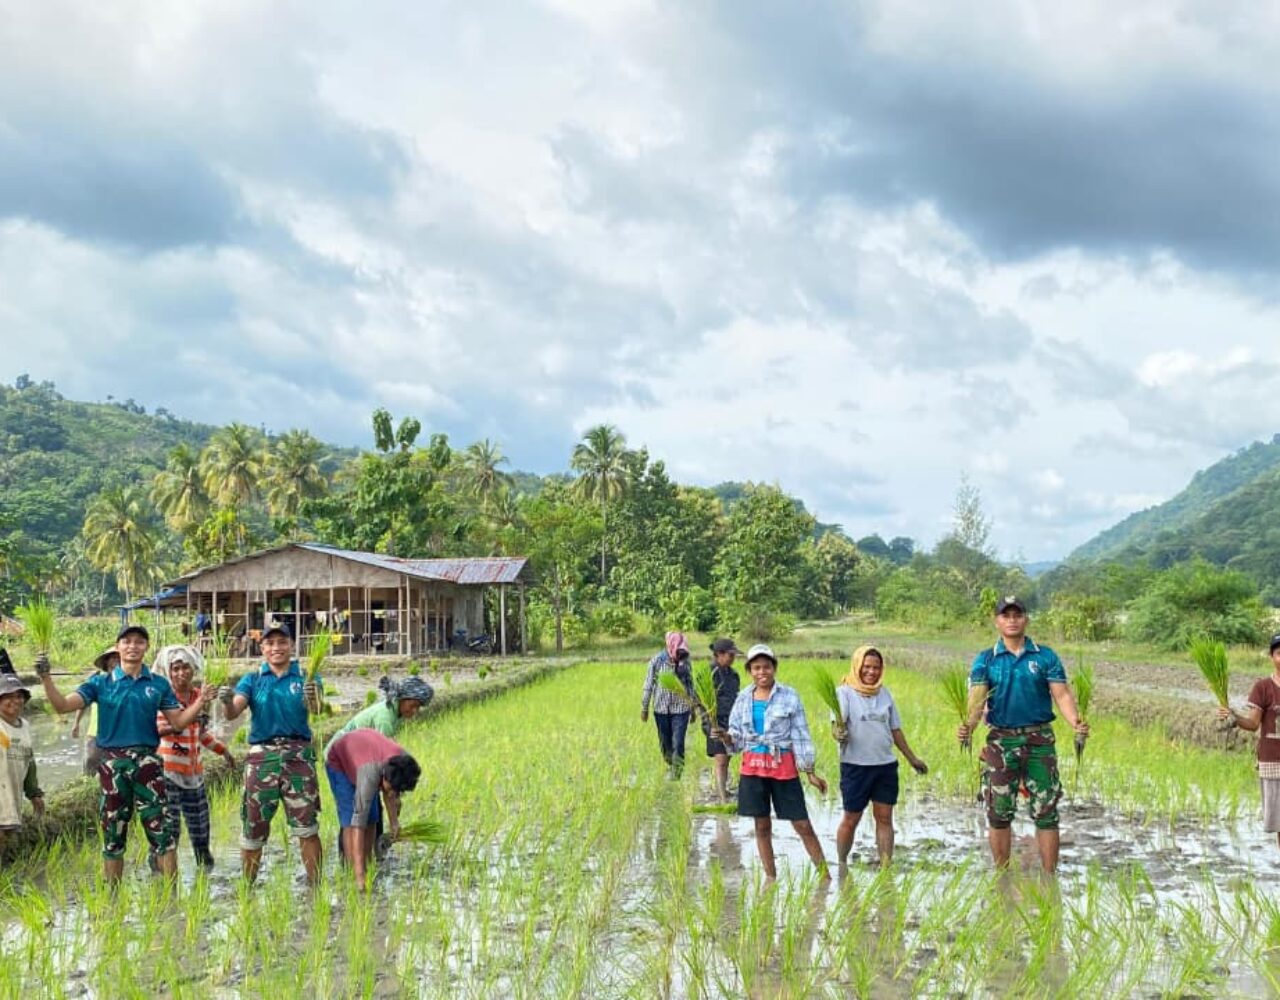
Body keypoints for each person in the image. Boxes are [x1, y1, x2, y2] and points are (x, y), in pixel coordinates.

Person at [35, 624, 215, 882]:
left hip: (148, 764)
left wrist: (200, 702)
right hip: (112, 765)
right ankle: (112, 900)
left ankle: (172, 902)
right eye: (127, 641)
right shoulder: (100, 683)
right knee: (113, 835)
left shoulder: (158, 684)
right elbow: (62, 706)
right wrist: (45, 678)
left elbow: (177, 723)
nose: (133, 646)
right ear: (118, 647)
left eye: (139, 641)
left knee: (162, 833)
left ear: (146, 648)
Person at [957, 596, 1088, 874]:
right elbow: (977, 700)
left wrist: (1076, 722)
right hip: (1001, 741)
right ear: (997, 621)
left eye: (1017, 615)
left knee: (1046, 811)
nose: (1012, 620)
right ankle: (1002, 875)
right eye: (1006, 615)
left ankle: (1050, 876)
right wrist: (968, 726)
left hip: (1039, 740)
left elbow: (1061, 694)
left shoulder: (1044, 656)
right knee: (999, 812)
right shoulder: (987, 659)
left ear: (1026, 619)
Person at [712, 643, 829, 880]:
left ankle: (825, 876)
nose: (761, 672)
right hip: (753, 769)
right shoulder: (743, 698)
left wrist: (810, 771)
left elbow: (801, 734)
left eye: (766, 667)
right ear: (750, 671)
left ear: (774, 668)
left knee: (802, 825)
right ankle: (770, 878)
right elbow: (736, 738)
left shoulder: (789, 696)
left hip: (782, 768)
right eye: (756, 668)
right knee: (762, 827)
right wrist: (725, 737)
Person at [220, 624, 325, 884]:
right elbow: (234, 711)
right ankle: (247, 887)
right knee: (253, 826)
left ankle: (316, 886)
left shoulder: (306, 676)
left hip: (298, 757)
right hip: (262, 758)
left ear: (291, 645)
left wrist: (313, 697)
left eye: (282, 642)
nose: (276, 648)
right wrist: (225, 699)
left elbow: (319, 709)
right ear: (262, 648)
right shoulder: (253, 679)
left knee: (307, 825)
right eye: (270, 643)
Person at [832, 646, 927, 867]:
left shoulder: (884, 693)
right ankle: (842, 865)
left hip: (885, 766)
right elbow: (837, 725)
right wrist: (838, 733)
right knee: (851, 818)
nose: (871, 672)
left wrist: (912, 759)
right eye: (866, 667)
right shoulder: (843, 693)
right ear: (857, 666)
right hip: (855, 767)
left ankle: (886, 867)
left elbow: (895, 730)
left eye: (876, 667)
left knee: (885, 818)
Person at [152, 645, 235, 869]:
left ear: (193, 669)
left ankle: (205, 873)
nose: (181, 673)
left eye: (185, 667)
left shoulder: (199, 697)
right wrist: (189, 717)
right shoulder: (164, 697)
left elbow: (200, 733)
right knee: (170, 830)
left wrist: (223, 750)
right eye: (176, 669)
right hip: (168, 772)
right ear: (168, 672)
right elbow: (159, 729)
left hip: (193, 773)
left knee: (201, 829)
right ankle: (160, 875)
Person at [324, 728, 421, 890]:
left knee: (373, 818)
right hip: (339, 762)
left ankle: (367, 866)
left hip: (365, 752)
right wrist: (360, 877)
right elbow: (357, 826)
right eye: (389, 788)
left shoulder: (404, 762)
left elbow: (391, 793)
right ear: (384, 776)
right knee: (351, 820)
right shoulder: (369, 775)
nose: (391, 793)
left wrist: (394, 823)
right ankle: (353, 875)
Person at [1219, 632, 1280, 851]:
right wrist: (1233, 716)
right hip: (1274, 762)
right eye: (1279, 653)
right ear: (1271, 657)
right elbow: (1253, 723)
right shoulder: (1263, 687)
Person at [641, 631, 697, 779]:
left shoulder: (685, 661)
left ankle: (676, 773)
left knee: (678, 742)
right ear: (671, 646)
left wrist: (693, 708)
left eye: (682, 650)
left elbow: (690, 685)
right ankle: (670, 763)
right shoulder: (657, 661)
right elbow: (648, 685)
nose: (680, 653)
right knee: (665, 744)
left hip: (681, 709)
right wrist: (644, 707)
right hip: (661, 709)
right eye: (678, 650)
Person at [0, 670, 43, 854]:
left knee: (6, 834)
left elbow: (29, 760)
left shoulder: (24, 726)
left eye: (19, 696)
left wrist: (34, 793)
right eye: (7, 696)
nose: (15, 701)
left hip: (12, 791)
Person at [702, 638, 742, 802]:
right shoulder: (708, 675)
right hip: (715, 722)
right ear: (719, 654)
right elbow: (702, 703)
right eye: (730, 655)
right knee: (721, 759)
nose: (733, 658)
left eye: (734, 655)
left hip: (731, 721)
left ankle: (722, 789)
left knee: (728, 757)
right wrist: (708, 726)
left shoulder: (734, 675)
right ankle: (722, 797)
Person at [72, 648, 117, 776]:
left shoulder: (129, 684)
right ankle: (87, 783)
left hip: (117, 734)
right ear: (107, 663)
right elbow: (82, 702)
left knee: (113, 766)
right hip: (95, 731)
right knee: (91, 760)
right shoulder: (98, 682)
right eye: (113, 658)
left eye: (119, 658)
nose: (116, 662)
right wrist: (76, 723)